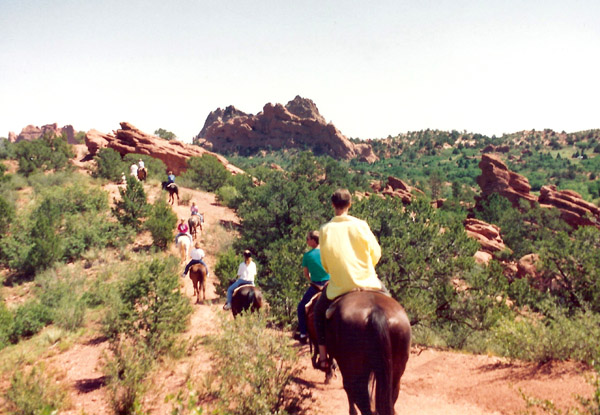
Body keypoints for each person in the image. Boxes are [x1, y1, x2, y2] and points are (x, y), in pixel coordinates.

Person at [314, 188, 384, 371]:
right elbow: (376, 253)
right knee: (390, 304)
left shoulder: (325, 229)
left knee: (318, 314)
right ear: (350, 204)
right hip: (369, 281)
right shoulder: (361, 224)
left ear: (332, 205)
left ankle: (323, 358)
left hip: (340, 286)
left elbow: (325, 262)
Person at [295, 230, 330, 344]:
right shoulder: (327, 252)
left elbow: (306, 274)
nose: (307, 241)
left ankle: (303, 333)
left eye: (308, 239)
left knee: (301, 307)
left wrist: (311, 281)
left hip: (316, 286)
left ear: (313, 241)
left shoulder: (307, 256)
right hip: (329, 285)